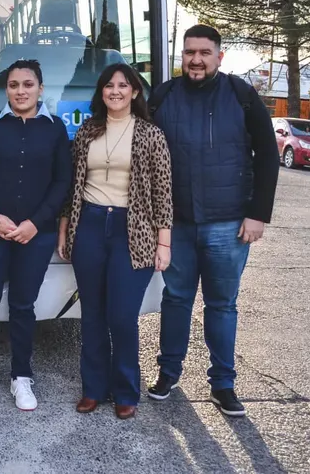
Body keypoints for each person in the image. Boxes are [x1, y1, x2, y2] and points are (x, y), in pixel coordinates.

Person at [146, 24, 279, 418]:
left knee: (222, 306)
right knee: (176, 300)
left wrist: (258, 214)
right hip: (177, 225)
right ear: (181, 56)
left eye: (205, 52)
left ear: (220, 56)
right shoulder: (163, 95)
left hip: (229, 225)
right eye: (190, 52)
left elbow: (268, 156)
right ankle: (168, 374)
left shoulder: (240, 95)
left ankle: (223, 384)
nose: (196, 60)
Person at [57, 63, 173, 419]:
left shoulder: (151, 134)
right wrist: (65, 229)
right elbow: (71, 186)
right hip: (89, 224)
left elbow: (163, 192)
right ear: (101, 92)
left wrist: (163, 243)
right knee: (91, 315)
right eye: (109, 85)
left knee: (122, 316)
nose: (116, 91)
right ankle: (93, 389)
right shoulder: (87, 131)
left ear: (135, 92)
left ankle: (126, 391)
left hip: (133, 229)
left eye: (124, 86)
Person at [0, 59, 72, 411]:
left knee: (23, 305)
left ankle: (21, 376)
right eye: (13, 85)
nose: (20, 91)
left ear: (40, 88)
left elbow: (62, 182)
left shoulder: (55, 129)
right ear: (5, 90)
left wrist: (35, 223)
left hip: (34, 235)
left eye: (27, 84)